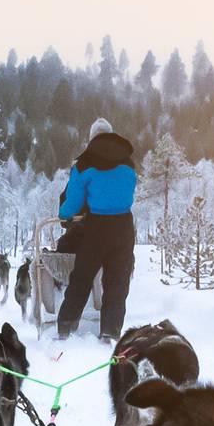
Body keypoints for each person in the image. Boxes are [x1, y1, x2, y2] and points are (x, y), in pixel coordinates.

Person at [55, 117, 137, 341]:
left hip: (97, 227)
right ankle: (110, 333)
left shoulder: (83, 164)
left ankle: (65, 330)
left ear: (91, 138)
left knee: (81, 279)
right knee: (117, 284)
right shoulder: (128, 163)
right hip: (124, 227)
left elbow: (72, 203)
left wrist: (63, 215)